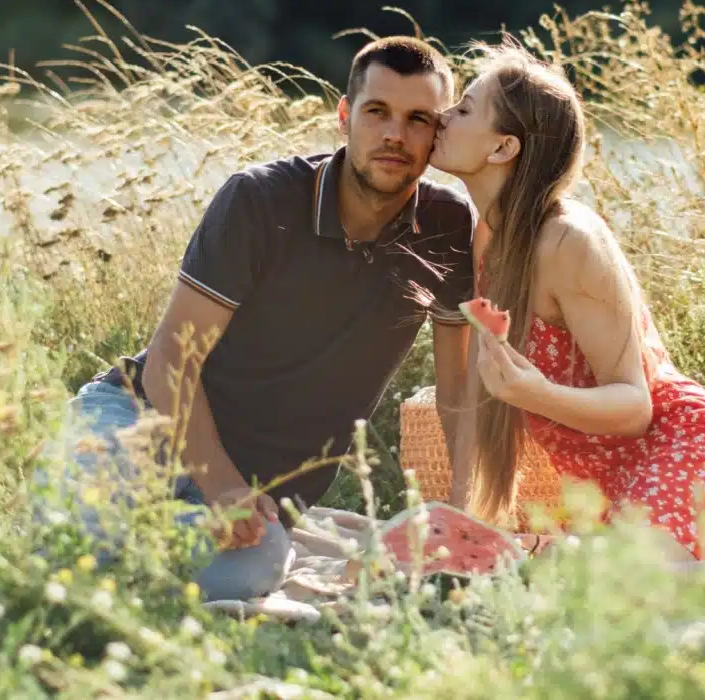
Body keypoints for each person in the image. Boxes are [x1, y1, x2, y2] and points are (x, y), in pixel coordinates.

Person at [57, 36, 477, 601]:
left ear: (437, 133)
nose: (395, 135)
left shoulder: (449, 226)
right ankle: (85, 547)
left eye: (418, 119)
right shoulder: (260, 201)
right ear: (345, 116)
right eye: (378, 112)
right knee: (86, 520)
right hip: (140, 421)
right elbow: (171, 359)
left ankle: (93, 566)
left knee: (259, 567)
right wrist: (220, 483)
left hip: (260, 490)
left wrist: (470, 511)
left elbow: (458, 395)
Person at [428, 39, 705, 561]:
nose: (443, 117)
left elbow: (635, 406)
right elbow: (482, 405)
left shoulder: (567, 241)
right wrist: (461, 527)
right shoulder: (488, 239)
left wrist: (535, 394)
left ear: (503, 148)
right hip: (620, 483)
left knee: (618, 585)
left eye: (463, 109)